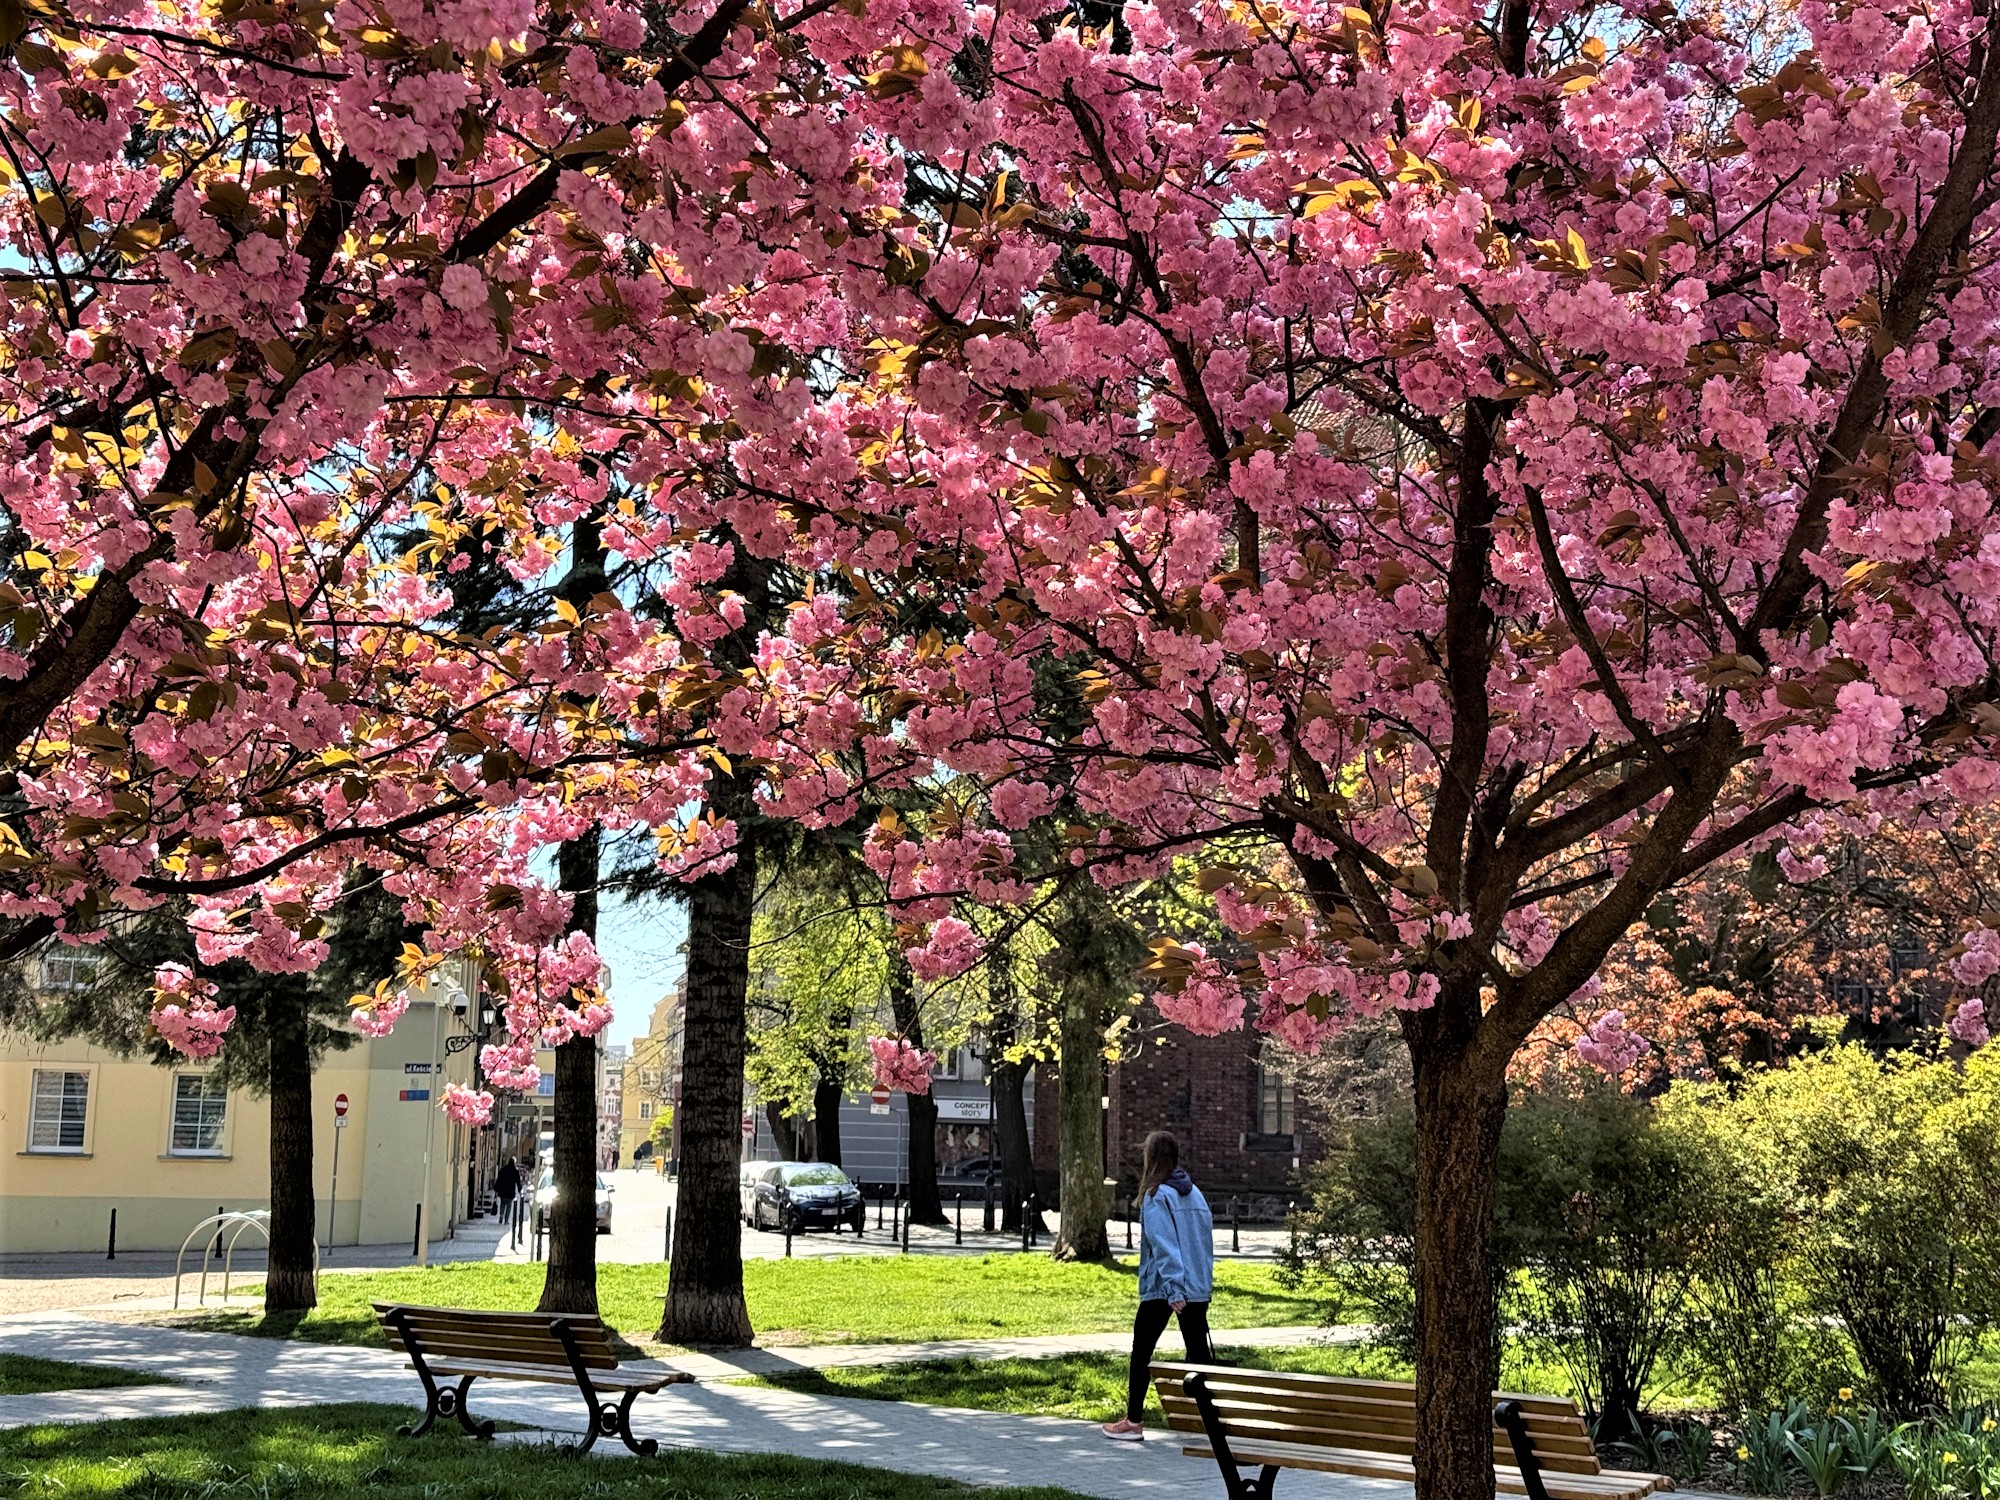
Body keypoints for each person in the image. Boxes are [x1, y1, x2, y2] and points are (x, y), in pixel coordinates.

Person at [1102, 1130, 1214, 1440]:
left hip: (1164, 1288)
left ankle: (1134, 1420)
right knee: (1199, 1356)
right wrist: (1198, 1286)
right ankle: (1209, 1424)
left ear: (1150, 1160)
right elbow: (1204, 1245)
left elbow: (1163, 1244)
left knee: (1142, 1352)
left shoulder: (1156, 1195)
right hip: (1196, 1286)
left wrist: (1173, 1288)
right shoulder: (1196, 1194)